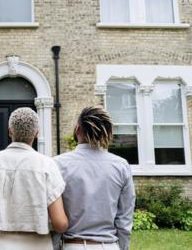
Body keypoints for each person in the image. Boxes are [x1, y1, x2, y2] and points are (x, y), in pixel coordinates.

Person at [0, 107, 68, 250]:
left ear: (9, 131)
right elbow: (60, 223)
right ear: (36, 133)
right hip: (38, 244)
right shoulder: (47, 165)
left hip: (0, 243)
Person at [55, 107, 135, 250]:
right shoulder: (121, 166)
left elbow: (53, 218)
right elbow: (124, 220)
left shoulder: (58, 164)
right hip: (109, 246)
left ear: (77, 129)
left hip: (73, 245)